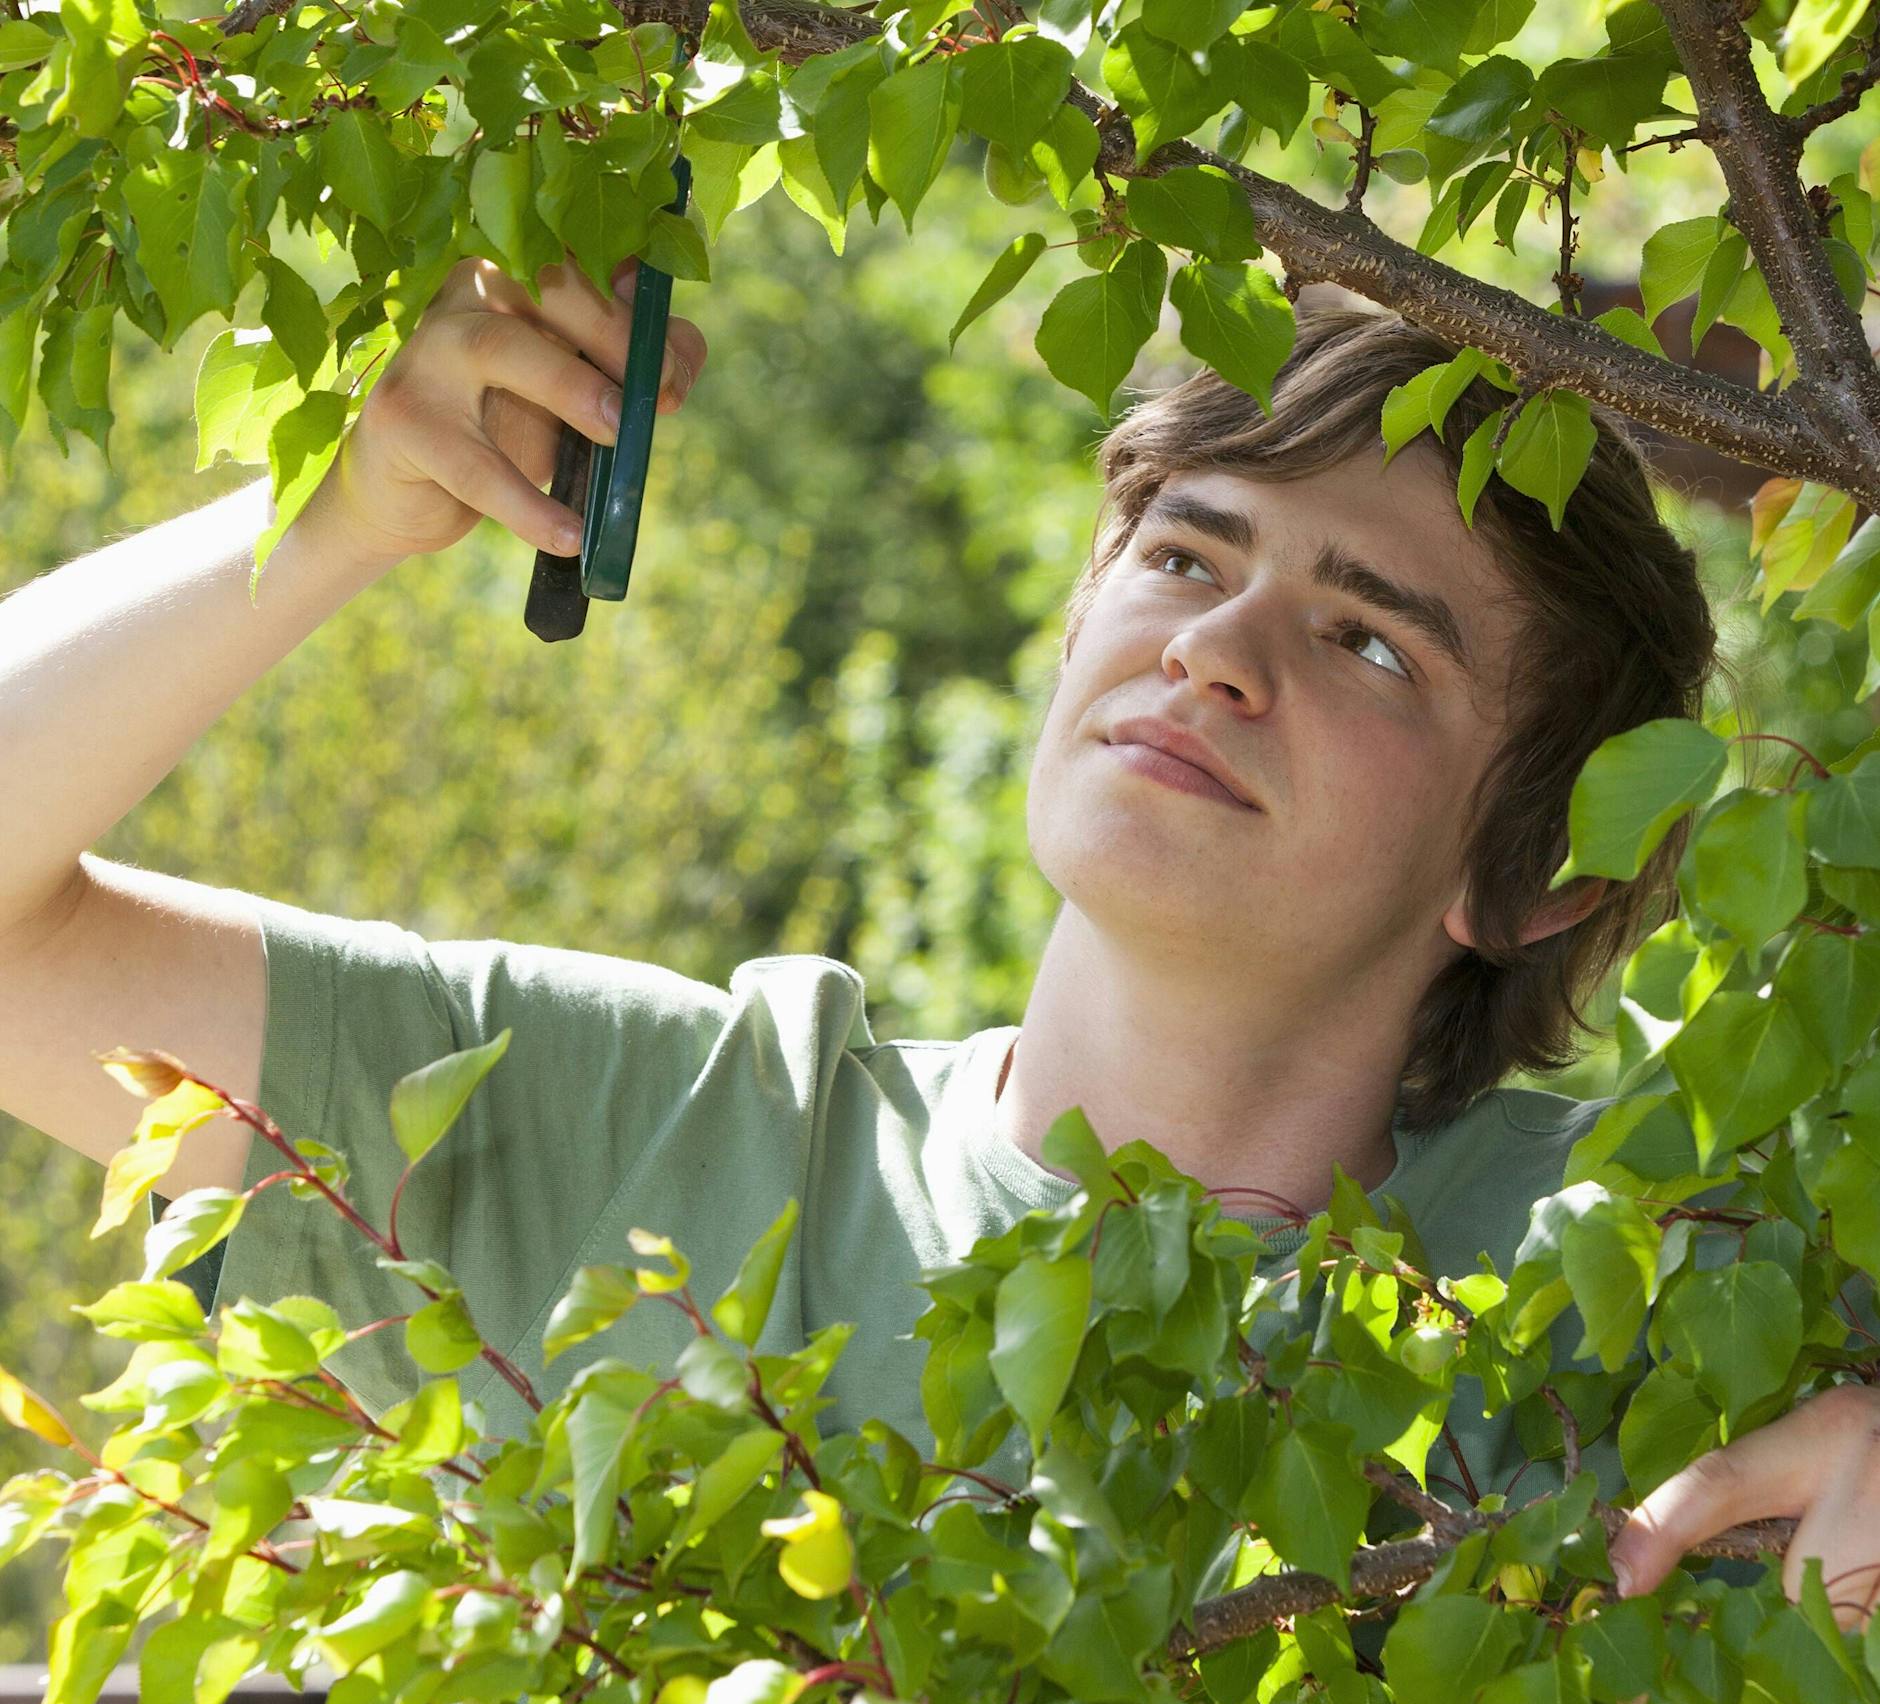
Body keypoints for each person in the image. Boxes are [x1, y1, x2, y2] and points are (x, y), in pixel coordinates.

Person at [0, 250, 1840, 1600]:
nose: (1209, 649)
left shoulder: (1675, 1271)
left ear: (1535, 873)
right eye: (1188, 556)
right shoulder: (662, 1135)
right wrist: (321, 518)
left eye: (1371, 639)